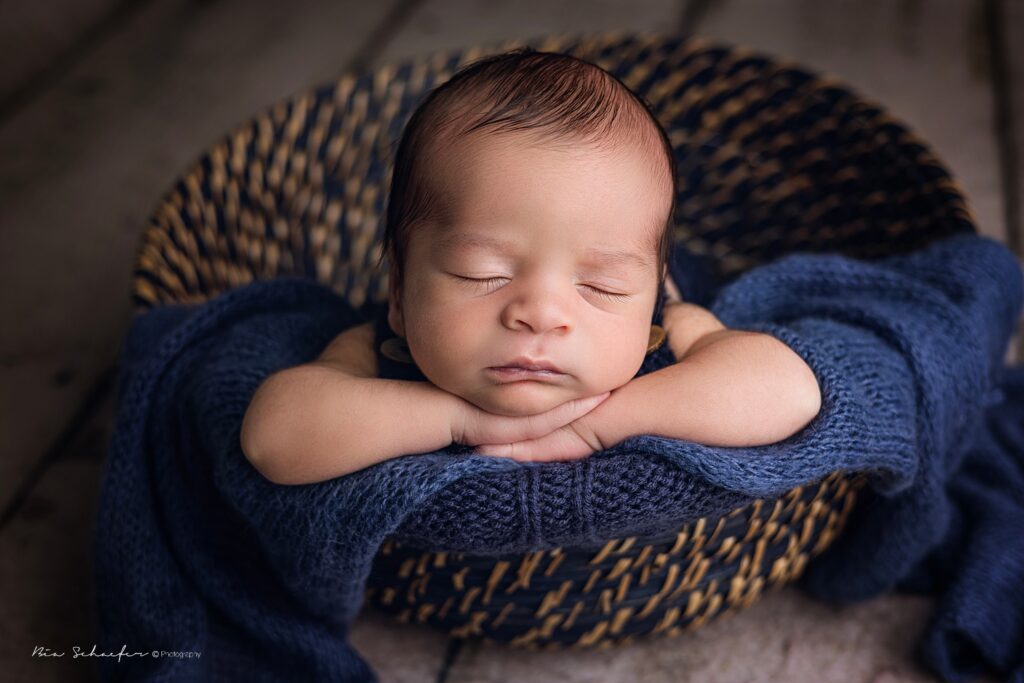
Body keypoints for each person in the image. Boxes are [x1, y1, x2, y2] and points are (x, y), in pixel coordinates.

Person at [240, 48, 822, 485]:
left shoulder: (669, 331)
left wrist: (596, 426)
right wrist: (456, 421)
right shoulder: (378, 348)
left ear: (649, 304)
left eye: (602, 286)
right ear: (398, 290)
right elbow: (273, 439)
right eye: (481, 273)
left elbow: (789, 391)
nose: (541, 315)